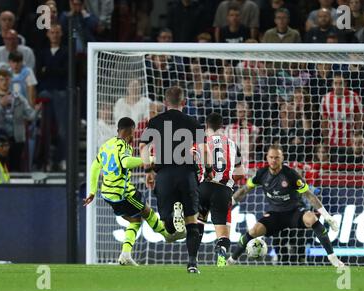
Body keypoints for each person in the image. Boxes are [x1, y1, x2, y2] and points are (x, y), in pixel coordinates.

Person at [83, 117, 182, 266]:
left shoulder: (106, 145)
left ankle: (125, 255)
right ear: (130, 133)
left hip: (107, 193)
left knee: (135, 220)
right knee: (146, 211)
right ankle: (167, 235)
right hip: (121, 193)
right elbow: (126, 162)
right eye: (134, 133)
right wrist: (149, 159)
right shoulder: (125, 146)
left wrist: (92, 191)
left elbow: (95, 167)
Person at [227, 144, 344, 267]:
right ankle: (231, 260)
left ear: (282, 158)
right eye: (271, 157)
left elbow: (309, 195)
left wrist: (326, 216)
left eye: (277, 157)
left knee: (312, 218)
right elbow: (244, 190)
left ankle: (333, 258)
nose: (273, 160)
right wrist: (229, 204)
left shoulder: (290, 174)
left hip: (294, 212)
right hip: (275, 215)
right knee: (254, 230)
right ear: (267, 158)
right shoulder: (261, 174)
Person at [139, 86, 206, 274]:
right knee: (192, 221)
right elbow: (203, 150)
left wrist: (148, 171)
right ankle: (192, 263)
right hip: (187, 174)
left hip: (165, 175)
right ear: (183, 103)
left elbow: (143, 146)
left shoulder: (155, 121)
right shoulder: (194, 122)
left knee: (168, 226)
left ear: (165, 103)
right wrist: (206, 171)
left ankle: (172, 218)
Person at [198, 112, 245, 267]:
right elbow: (241, 173)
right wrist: (229, 179)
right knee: (223, 232)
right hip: (223, 190)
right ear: (222, 126)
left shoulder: (202, 142)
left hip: (203, 188)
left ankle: (193, 258)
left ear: (206, 126)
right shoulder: (232, 144)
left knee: (198, 223)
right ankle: (222, 252)